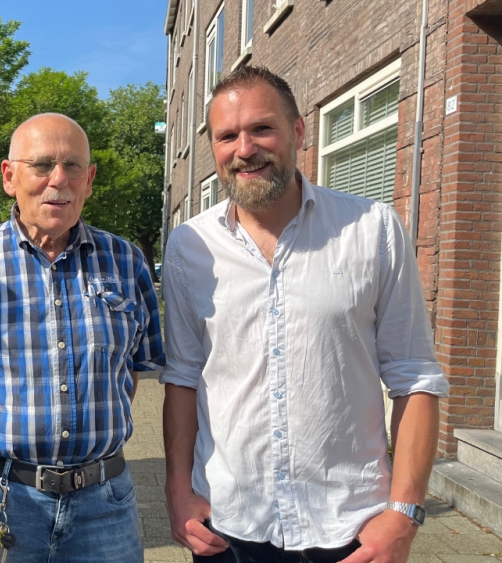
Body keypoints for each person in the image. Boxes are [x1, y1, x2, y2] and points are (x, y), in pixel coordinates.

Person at [161, 65, 450, 563]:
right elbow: (184, 377)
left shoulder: (372, 229)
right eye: (227, 136)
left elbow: (415, 376)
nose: (245, 149)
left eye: (261, 128)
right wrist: (177, 491)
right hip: (228, 526)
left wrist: (404, 512)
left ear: (298, 131)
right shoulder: (190, 246)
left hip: (350, 526)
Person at [0, 113, 165, 563]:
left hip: (104, 503)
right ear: (10, 177)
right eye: (42, 165)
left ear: (90, 181)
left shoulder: (127, 262)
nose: (58, 180)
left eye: (73, 167)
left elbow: (128, 371)